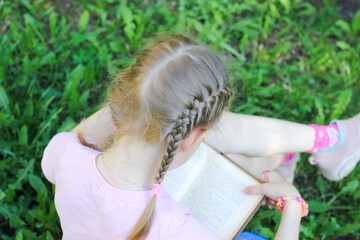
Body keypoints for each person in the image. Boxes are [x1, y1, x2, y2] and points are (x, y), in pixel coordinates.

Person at [41, 34, 309, 240]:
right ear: (192, 138)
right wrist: (292, 206)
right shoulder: (176, 227)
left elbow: (77, 139)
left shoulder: (65, 152)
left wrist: (129, 100)